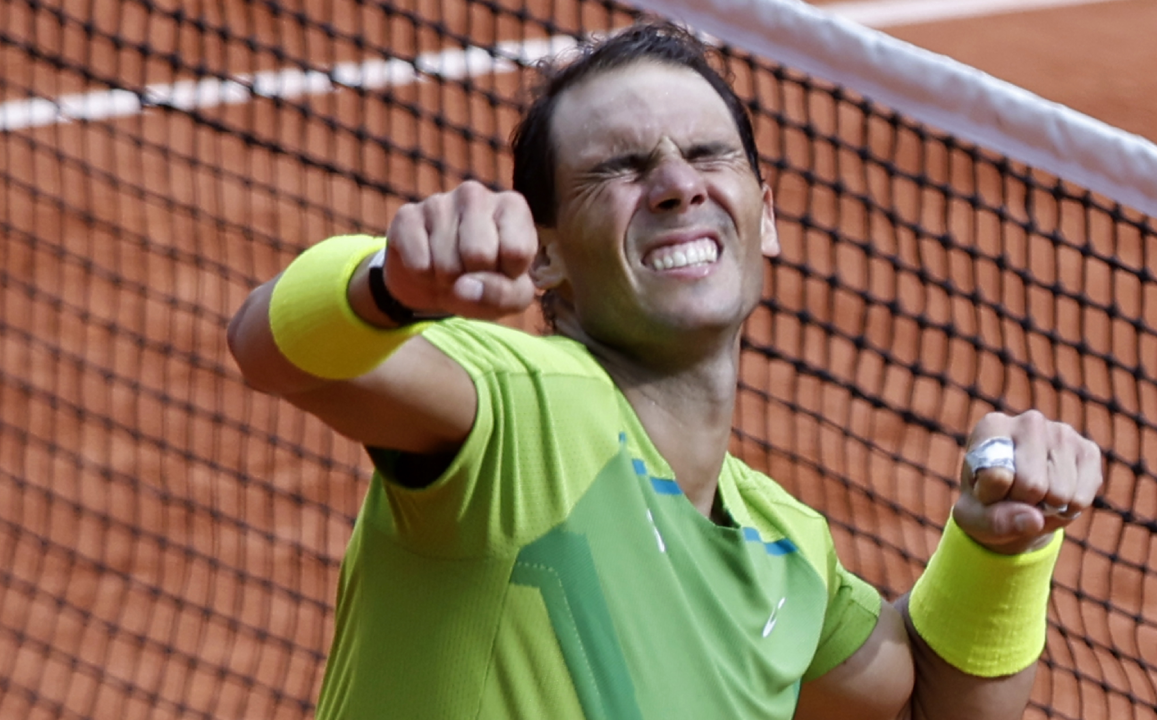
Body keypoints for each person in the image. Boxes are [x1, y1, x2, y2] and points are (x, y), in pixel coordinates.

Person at [227, 21, 1103, 720]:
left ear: (765, 217)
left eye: (710, 154)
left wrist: (1001, 548)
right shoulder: (528, 411)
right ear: (545, 257)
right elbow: (271, 349)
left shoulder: (784, 551)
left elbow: (927, 704)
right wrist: (386, 283)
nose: (680, 185)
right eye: (621, 167)